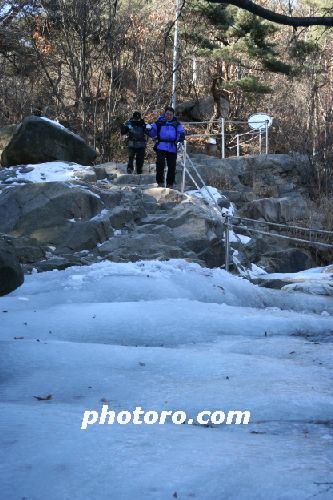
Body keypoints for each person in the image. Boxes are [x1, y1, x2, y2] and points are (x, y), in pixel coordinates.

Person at [148, 106, 185, 188]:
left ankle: (170, 184)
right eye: (167, 114)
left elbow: (181, 132)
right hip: (161, 146)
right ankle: (160, 182)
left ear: (173, 115)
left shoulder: (176, 123)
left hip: (172, 147)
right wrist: (148, 129)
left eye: (170, 114)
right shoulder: (159, 122)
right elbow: (152, 133)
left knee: (172, 166)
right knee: (160, 164)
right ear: (165, 114)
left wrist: (180, 139)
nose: (169, 116)